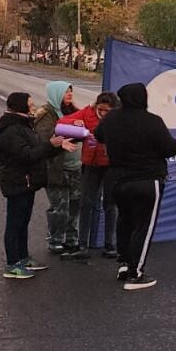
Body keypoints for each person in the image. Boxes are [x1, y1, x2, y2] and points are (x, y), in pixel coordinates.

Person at [93, 82, 176, 291]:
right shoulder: (152, 122)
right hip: (148, 181)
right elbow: (170, 149)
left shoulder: (112, 118)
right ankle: (136, 273)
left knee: (124, 221)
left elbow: (98, 135)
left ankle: (124, 264)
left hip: (118, 180)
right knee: (143, 227)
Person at [0, 92, 78, 279]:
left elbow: (37, 151)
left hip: (27, 182)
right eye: (29, 104)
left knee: (23, 222)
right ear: (20, 106)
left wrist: (55, 146)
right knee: (15, 224)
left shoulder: (22, 124)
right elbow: (27, 155)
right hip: (17, 182)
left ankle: (22, 257)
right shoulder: (11, 130)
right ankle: (12, 264)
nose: (32, 107)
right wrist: (51, 145)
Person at [59, 91, 120, 258]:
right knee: (86, 203)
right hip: (90, 165)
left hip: (111, 166)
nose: (103, 114)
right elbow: (62, 122)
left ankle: (109, 245)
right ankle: (82, 245)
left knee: (110, 205)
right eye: (100, 109)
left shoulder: (119, 117)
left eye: (107, 111)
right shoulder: (88, 113)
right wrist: (81, 130)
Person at [34, 82, 85, 259]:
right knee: (59, 207)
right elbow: (44, 140)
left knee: (75, 205)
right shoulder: (45, 115)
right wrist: (61, 140)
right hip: (56, 168)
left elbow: (85, 131)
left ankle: (71, 239)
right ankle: (56, 239)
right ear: (56, 93)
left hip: (76, 167)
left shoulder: (73, 111)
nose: (69, 94)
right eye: (65, 92)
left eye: (71, 91)